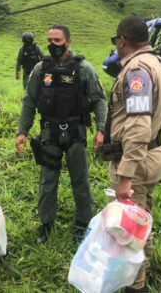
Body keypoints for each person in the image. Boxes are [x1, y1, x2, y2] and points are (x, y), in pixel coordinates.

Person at [100, 17, 161, 293]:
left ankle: (136, 286)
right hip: (153, 154)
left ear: (122, 40)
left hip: (137, 160)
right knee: (143, 217)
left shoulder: (137, 70)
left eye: (116, 42)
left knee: (130, 229)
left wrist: (125, 176)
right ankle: (144, 267)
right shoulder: (160, 64)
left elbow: (138, 124)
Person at [16, 24, 107, 244]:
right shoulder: (40, 69)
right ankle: (46, 225)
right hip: (49, 132)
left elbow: (98, 100)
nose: (52, 44)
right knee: (48, 180)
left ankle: (83, 224)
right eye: (49, 40)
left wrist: (101, 129)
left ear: (68, 41)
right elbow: (29, 101)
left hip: (76, 131)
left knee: (80, 180)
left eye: (57, 40)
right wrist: (22, 132)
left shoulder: (83, 68)